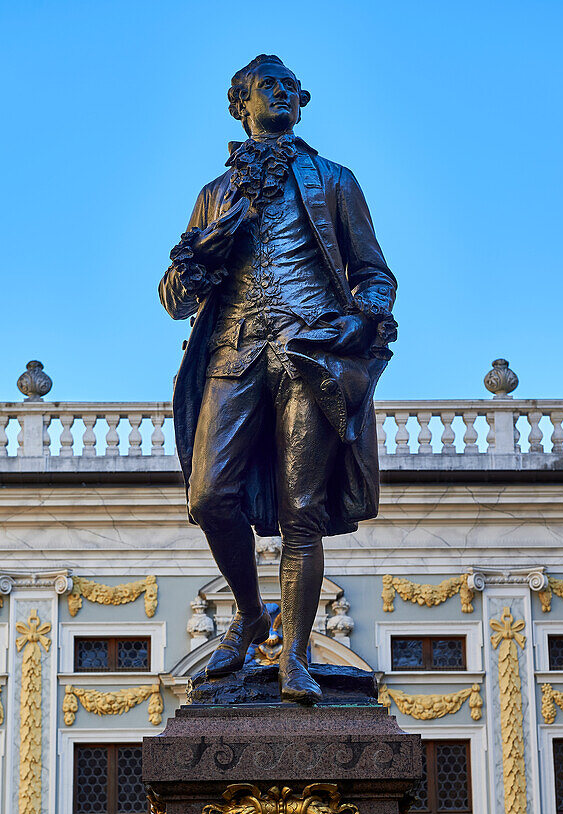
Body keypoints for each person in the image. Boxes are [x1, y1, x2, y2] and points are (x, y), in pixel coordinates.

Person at [159, 54, 396, 703]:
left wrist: (366, 319)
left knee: (302, 512)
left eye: (291, 87)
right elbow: (175, 298)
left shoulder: (334, 179)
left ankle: (294, 654)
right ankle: (251, 613)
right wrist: (196, 261)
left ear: (302, 101)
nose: (282, 94)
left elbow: (373, 273)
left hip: (307, 352)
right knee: (208, 497)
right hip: (234, 352)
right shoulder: (215, 194)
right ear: (242, 103)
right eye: (269, 86)